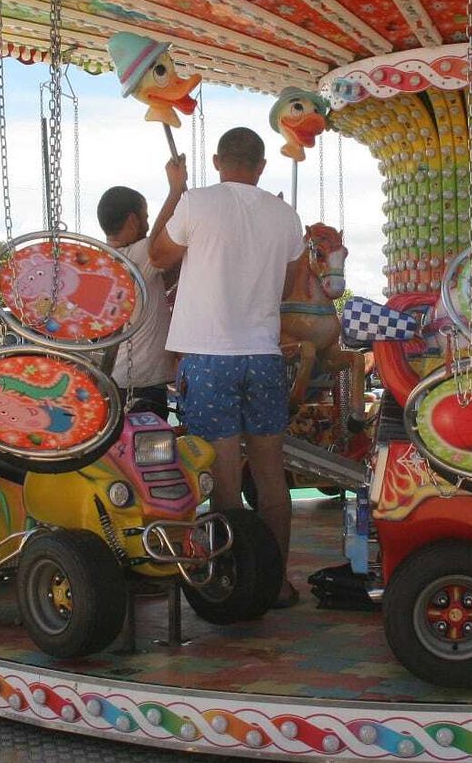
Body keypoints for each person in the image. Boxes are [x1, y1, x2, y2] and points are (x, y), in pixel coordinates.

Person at [151, 127, 305, 607]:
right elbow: (290, 285)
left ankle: (235, 582)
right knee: (270, 474)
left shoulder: (196, 202)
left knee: (223, 478)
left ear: (218, 161)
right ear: (262, 166)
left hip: (209, 356)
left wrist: (175, 190)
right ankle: (275, 583)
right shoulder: (285, 215)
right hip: (263, 354)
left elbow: (157, 256)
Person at [97, 185, 177, 419]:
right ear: (133, 220)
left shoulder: (105, 260)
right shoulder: (137, 254)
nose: (149, 224)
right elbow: (167, 231)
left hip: (116, 377)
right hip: (142, 383)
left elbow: (157, 283)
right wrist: (176, 189)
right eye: (146, 217)